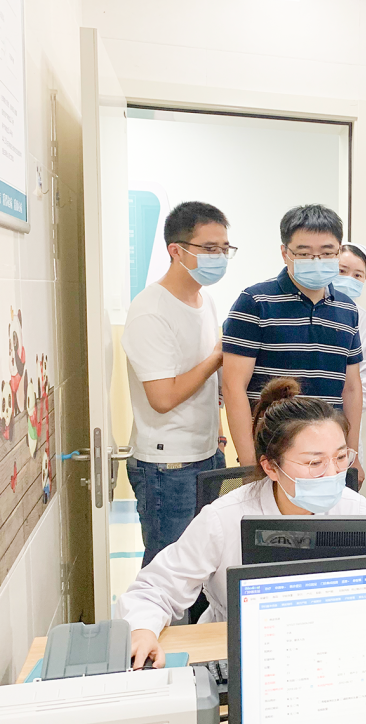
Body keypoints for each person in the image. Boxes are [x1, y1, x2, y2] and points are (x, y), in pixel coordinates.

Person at [119, 377, 366, 668]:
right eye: (315, 463)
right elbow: (154, 590)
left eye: (340, 457)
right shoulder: (225, 517)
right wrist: (141, 631)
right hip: (236, 652)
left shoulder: (354, 509)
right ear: (271, 467)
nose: (332, 474)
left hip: (326, 651)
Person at [222, 204, 364, 485]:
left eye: (326, 252)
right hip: (274, 456)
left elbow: (351, 387)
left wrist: (351, 454)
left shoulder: (347, 309)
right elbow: (233, 386)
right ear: (284, 252)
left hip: (330, 457)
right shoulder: (255, 302)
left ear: (338, 252)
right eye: (304, 253)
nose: (316, 260)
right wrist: (249, 462)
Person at [121, 201, 227, 566]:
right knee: (169, 571)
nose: (219, 258)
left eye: (224, 249)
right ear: (176, 250)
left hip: (207, 455)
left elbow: (205, 384)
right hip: (168, 468)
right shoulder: (151, 311)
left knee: (204, 565)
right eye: (209, 248)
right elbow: (163, 397)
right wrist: (216, 358)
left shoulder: (204, 301)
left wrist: (217, 434)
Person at [333, 242, 366, 424]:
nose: (349, 279)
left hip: (343, 422)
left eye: (358, 275)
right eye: (342, 271)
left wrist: (335, 419)